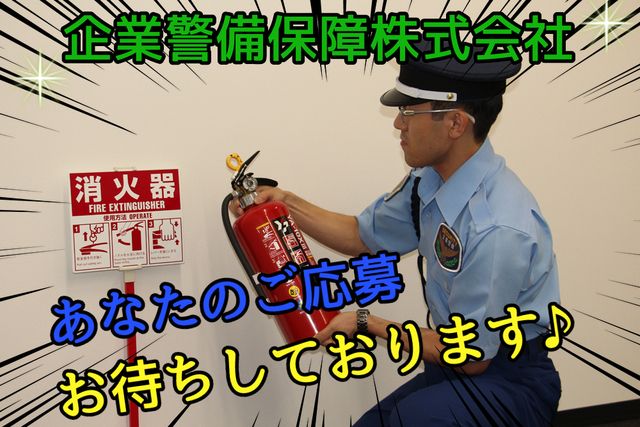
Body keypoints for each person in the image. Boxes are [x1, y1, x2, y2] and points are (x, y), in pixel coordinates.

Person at [236, 42, 561, 426]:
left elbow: (474, 357)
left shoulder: (497, 228)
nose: (398, 124)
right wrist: (286, 203)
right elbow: (361, 236)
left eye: (409, 112)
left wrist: (365, 323)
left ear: (456, 124)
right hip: (455, 365)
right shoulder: (429, 182)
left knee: (410, 419)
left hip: (507, 380)